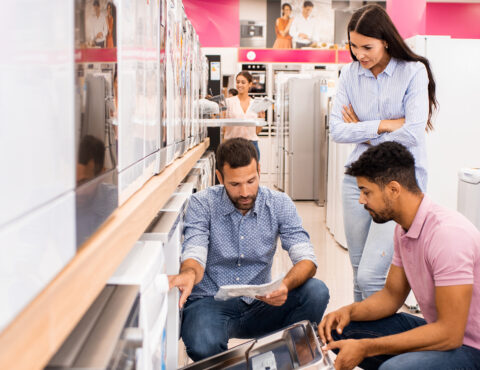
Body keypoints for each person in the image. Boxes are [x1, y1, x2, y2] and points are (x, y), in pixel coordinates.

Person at [318, 141, 480, 370]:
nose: (361, 200)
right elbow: (391, 296)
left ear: (393, 190)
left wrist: (367, 347)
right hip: (445, 334)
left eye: (366, 191)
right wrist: (348, 311)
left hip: (471, 348)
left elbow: (451, 334)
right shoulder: (403, 228)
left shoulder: (447, 235)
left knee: (394, 368)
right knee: (339, 332)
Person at [168, 138, 330, 361]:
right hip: (210, 301)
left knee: (316, 291)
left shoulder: (279, 204)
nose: (245, 192)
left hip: (261, 304)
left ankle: (285, 359)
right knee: (201, 344)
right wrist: (188, 274)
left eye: (251, 181)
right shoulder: (202, 203)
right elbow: (195, 250)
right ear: (219, 177)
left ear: (259, 170)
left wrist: (284, 286)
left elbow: (306, 259)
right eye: (235, 184)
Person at [329, 4, 437, 302]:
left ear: (386, 40)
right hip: (357, 182)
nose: (359, 54)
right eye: (353, 46)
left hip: (398, 184)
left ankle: (382, 346)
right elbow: (337, 130)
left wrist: (362, 131)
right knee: (357, 270)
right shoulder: (350, 74)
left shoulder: (413, 72)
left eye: (367, 47)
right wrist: (384, 126)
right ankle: (359, 343)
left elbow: (413, 132)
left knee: (371, 275)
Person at [223, 71, 263, 160]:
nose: (239, 85)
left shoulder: (255, 104)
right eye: (238, 82)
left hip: (251, 145)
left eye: (243, 82)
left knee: (252, 173)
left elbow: (257, 131)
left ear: (250, 84)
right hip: (233, 145)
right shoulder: (228, 102)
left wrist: (261, 118)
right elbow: (224, 128)